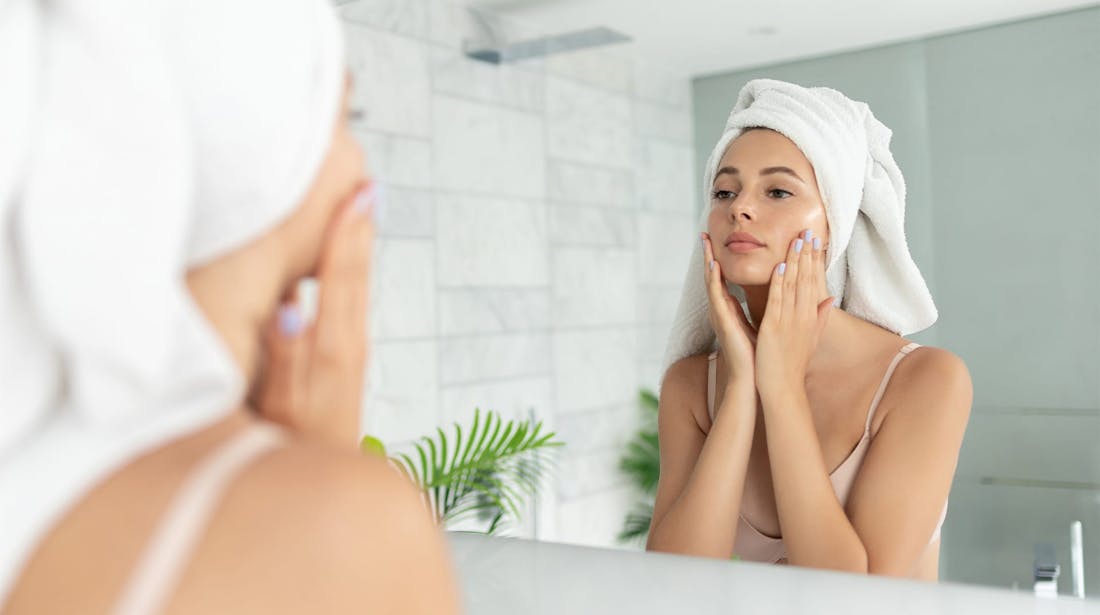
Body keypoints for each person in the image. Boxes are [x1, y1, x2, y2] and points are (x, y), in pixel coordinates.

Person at [0, 0, 459, 612]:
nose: (361, 160)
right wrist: (319, 480)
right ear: (264, 160)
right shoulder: (340, 530)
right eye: (348, 117)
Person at [646, 79, 972, 580]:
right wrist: (740, 392)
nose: (740, 208)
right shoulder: (692, 387)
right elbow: (671, 584)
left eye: (778, 190)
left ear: (834, 220)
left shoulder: (924, 381)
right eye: (724, 191)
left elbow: (856, 599)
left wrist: (780, 390)